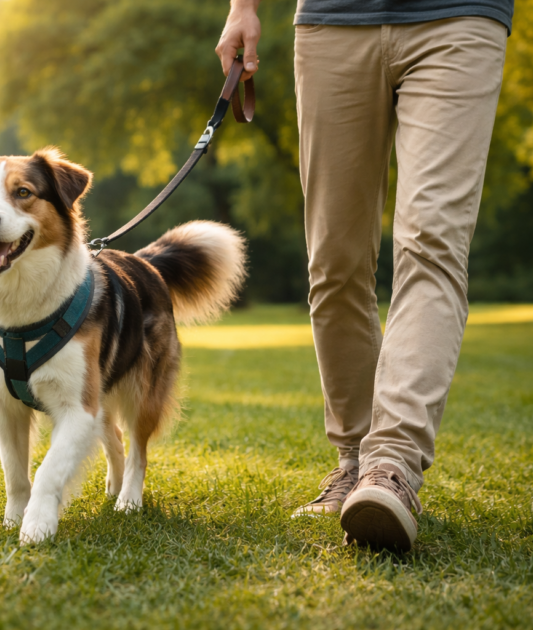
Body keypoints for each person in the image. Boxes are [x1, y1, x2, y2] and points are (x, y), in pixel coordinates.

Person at [215, 0, 513, 551]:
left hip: (458, 18)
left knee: (432, 243)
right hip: (334, 21)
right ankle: (353, 460)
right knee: (335, 260)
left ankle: (391, 467)